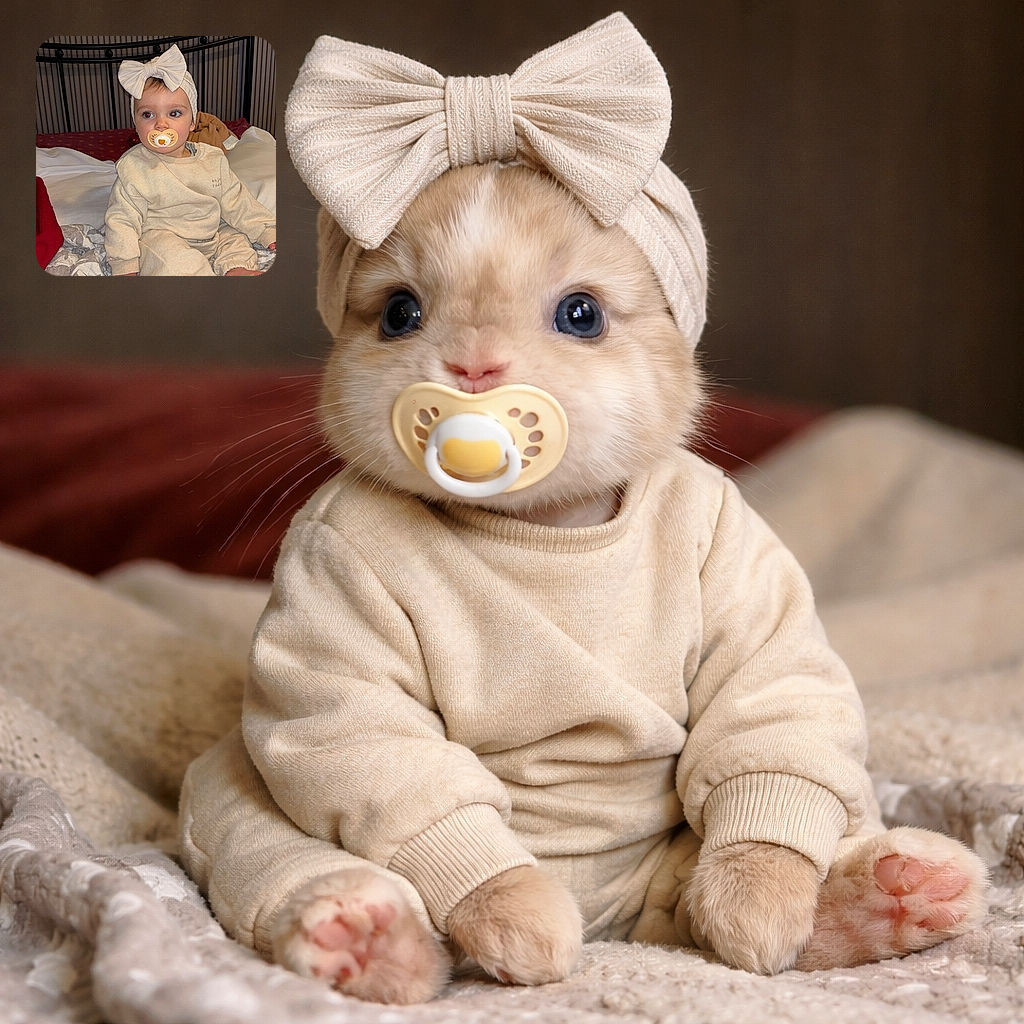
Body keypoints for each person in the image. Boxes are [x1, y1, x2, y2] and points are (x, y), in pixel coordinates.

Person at [104, 44, 276, 276]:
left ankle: (236, 270)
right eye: (148, 114)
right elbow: (122, 220)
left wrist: (266, 230)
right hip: (163, 236)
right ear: (136, 123)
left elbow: (237, 201)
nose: (161, 124)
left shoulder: (213, 159)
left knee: (235, 237)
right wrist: (124, 265)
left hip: (212, 234)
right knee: (172, 259)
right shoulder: (134, 168)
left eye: (174, 113)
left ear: (193, 121)